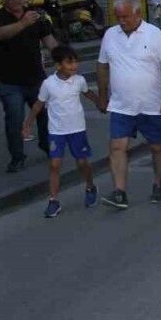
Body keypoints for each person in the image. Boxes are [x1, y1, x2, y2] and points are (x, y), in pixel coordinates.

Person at [97, 0, 161, 209]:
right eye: (118, 17)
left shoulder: (155, 35)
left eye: (125, 17)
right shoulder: (110, 35)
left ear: (138, 13)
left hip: (152, 105)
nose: (121, 21)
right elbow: (102, 66)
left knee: (157, 147)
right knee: (117, 147)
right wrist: (102, 95)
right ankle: (119, 192)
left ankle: (159, 184)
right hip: (121, 105)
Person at [0, 0, 59, 173]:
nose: (15, 0)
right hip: (9, 81)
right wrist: (23, 23)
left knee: (45, 115)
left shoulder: (36, 16)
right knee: (15, 119)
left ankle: (47, 145)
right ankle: (17, 157)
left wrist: (63, 60)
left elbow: (50, 41)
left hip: (36, 78)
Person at [24, 45, 102, 218]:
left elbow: (88, 94)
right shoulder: (48, 84)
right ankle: (53, 200)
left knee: (82, 162)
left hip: (77, 129)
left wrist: (100, 103)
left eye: (75, 62)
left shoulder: (79, 81)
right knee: (54, 165)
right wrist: (27, 124)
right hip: (56, 131)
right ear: (58, 65)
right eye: (69, 62)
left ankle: (90, 187)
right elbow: (38, 105)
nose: (74, 66)